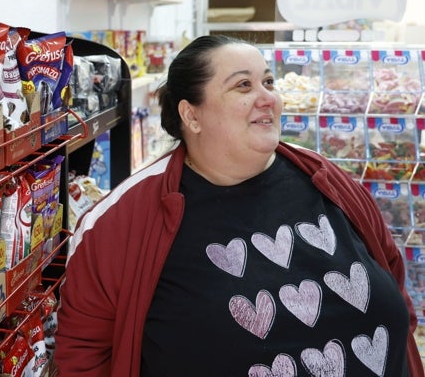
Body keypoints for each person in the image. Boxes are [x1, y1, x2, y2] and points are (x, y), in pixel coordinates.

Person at [54, 35, 425, 376]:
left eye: (269, 82)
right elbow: (84, 355)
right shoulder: (120, 221)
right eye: (243, 85)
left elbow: (393, 282)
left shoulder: (328, 179)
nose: (268, 98)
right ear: (191, 115)